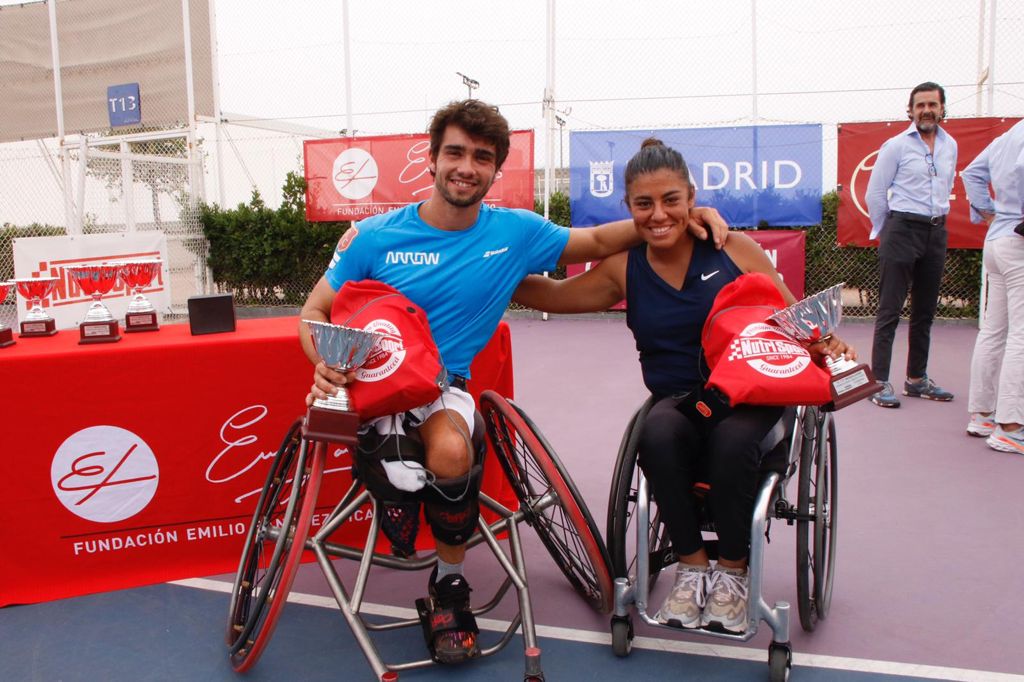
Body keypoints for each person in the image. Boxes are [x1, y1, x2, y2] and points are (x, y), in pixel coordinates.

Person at [298, 100, 729, 663]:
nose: (466, 167)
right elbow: (314, 311)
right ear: (431, 159)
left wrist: (681, 216)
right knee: (398, 468)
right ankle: (395, 489)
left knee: (450, 452)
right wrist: (325, 362)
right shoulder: (374, 237)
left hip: (440, 390)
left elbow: (597, 244)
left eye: (482, 157)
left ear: (496, 170)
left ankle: (448, 586)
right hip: (369, 385)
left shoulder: (516, 232)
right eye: (455, 152)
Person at [512, 139, 854, 634]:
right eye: (643, 204)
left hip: (754, 395)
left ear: (691, 196)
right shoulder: (623, 267)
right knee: (657, 432)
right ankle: (692, 568)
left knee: (735, 439)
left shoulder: (735, 249)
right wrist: (488, 269)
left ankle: (734, 574)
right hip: (682, 401)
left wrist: (827, 345)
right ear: (628, 208)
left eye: (671, 200)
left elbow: (794, 321)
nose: (658, 215)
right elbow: (557, 294)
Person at [864, 81, 958, 408]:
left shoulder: (950, 146)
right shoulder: (896, 146)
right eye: (920, 106)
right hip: (902, 228)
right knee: (889, 309)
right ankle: (878, 382)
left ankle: (917, 379)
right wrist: (886, 230)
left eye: (932, 105)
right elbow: (874, 194)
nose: (926, 111)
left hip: (936, 232)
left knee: (925, 311)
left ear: (942, 108)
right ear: (910, 111)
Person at [961, 119, 1024, 454]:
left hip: (998, 238)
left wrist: (990, 214)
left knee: (994, 330)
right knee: (1020, 334)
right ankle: (1012, 428)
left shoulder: (1007, 136)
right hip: (1017, 242)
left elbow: (971, 173)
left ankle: (983, 415)